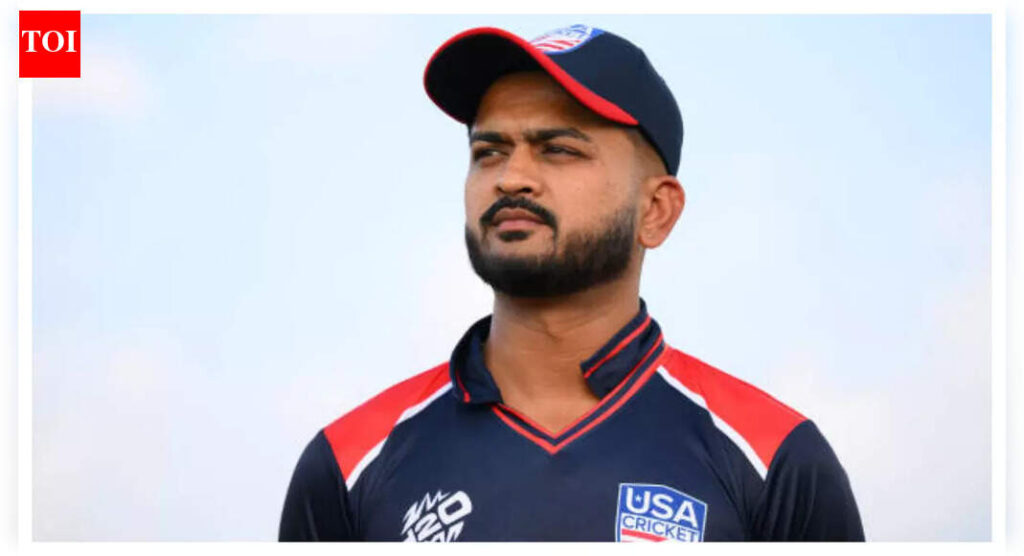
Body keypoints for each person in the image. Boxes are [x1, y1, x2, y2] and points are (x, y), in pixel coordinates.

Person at [278, 23, 864, 542]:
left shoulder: (776, 459)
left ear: (656, 211)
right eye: (489, 151)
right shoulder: (348, 463)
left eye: (558, 149)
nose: (512, 177)